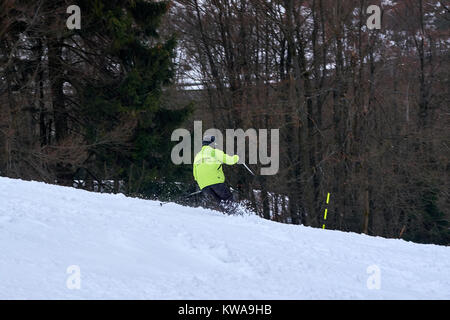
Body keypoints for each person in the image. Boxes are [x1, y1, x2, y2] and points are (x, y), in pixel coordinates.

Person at [193, 134, 239, 214]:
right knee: (228, 198)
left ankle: (229, 216)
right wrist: (237, 157)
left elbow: (195, 175)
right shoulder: (214, 152)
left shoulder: (197, 156)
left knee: (221, 202)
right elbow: (230, 160)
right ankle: (236, 215)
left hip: (204, 186)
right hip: (216, 182)